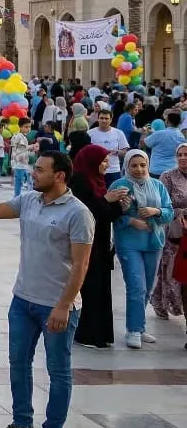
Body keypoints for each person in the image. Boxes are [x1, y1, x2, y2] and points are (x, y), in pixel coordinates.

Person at [0, 153, 91, 428]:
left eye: (40, 170)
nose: (33, 174)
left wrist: (64, 305)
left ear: (59, 176)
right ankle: (22, 424)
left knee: (58, 371)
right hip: (22, 300)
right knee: (19, 364)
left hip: (56, 306)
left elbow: (81, 265)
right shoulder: (30, 200)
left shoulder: (78, 213)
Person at [108, 149, 175, 349]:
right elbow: (110, 214)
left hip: (154, 242)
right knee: (137, 286)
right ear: (126, 166)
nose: (138, 169)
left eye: (142, 165)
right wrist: (130, 220)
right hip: (129, 243)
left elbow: (169, 212)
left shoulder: (157, 185)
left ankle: (140, 326)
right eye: (134, 165)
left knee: (148, 287)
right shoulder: (120, 186)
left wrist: (156, 211)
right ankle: (133, 330)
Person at [68, 145, 126, 350]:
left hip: (101, 245)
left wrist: (120, 205)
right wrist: (106, 200)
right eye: (102, 161)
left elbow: (105, 214)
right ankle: (86, 334)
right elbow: (83, 213)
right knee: (89, 289)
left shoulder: (99, 181)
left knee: (101, 289)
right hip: (86, 246)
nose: (106, 164)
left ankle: (101, 334)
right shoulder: (79, 182)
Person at [150, 143, 187, 321]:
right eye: (179, 154)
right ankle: (163, 301)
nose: (182, 158)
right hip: (174, 230)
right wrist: (181, 212)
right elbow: (163, 204)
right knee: (169, 268)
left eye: (186, 154)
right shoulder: (168, 176)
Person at [87, 109, 130, 184]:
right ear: (98, 119)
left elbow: (125, 151)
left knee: (114, 192)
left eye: (106, 118)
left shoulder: (119, 133)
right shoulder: (90, 133)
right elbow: (85, 152)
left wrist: (116, 152)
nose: (104, 120)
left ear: (111, 120)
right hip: (95, 170)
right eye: (101, 118)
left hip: (113, 170)